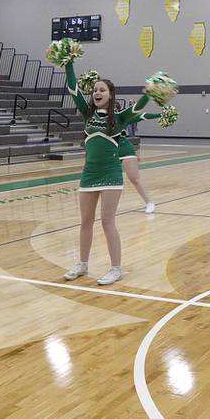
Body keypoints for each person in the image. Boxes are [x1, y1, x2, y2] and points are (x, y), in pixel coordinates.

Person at [62, 60, 160, 285]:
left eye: (102, 90)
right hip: (89, 174)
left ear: (110, 94)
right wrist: (69, 64)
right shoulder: (87, 113)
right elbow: (73, 88)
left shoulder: (119, 118)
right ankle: (82, 264)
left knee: (107, 222)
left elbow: (138, 109)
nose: (97, 92)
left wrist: (149, 91)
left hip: (111, 175)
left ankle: (116, 268)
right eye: (95, 90)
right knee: (85, 221)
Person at [115, 94, 156, 214]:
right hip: (110, 150)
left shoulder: (122, 117)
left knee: (134, 178)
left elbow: (142, 116)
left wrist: (160, 115)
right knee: (112, 179)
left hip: (124, 148)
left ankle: (149, 202)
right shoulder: (98, 117)